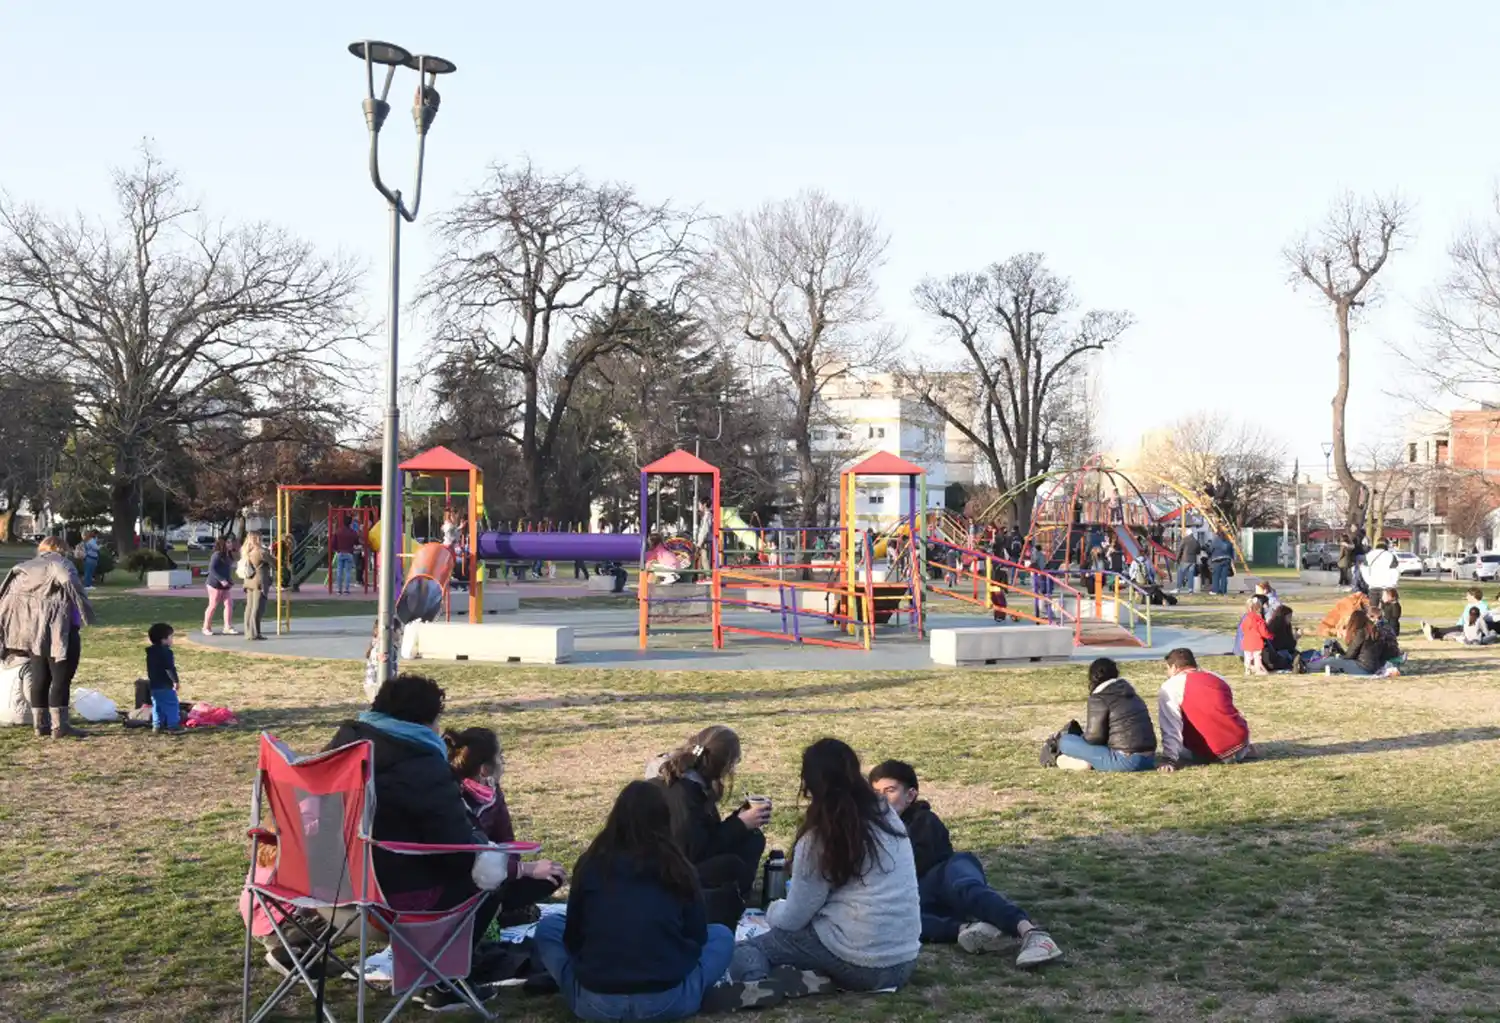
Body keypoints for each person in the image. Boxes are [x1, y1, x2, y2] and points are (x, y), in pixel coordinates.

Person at [325, 674, 521, 1007]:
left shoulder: (344, 743)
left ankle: (299, 943)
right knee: (489, 876)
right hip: (386, 902)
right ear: (427, 719)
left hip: (324, 892)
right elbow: (458, 851)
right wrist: (488, 847)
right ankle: (442, 982)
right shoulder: (421, 762)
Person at [718, 738, 921, 1008]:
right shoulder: (887, 815)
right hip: (903, 961)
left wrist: (772, 910)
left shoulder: (821, 836)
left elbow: (794, 917)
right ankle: (814, 978)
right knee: (811, 941)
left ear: (810, 784)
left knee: (749, 948)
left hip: (859, 960)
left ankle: (756, 984)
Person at [533, 781, 733, 1021]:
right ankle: (693, 990)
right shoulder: (678, 868)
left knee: (548, 927)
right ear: (664, 820)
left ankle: (579, 989)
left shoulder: (591, 864)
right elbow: (698, 935)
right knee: (722, 936)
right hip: (668, 1000)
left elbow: (573, 935)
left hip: (596, 1003)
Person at [868, 760, 1062, 968]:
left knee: (964, 885)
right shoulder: (872, 830)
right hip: (918, 895)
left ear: (910, 795)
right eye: (876, 793)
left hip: (944, 875)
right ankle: (971, 930)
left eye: (890, 791)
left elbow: (919, 862)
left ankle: (1032, 933)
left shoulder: (925, 820)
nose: (882, 799)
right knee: (892, 918)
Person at [444, 725, 568, 925]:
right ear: (484, 770)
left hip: (496, 872)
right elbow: (473, 859)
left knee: (553, 875)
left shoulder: (493, 792)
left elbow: (507, 841)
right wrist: (523, 869)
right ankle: (495, 912)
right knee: (488, 889)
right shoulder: (454, 799)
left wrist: (515, 871)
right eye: (500, 757)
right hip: (469, 879)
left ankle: (503, 910)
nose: (504, 762)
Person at [652, 726, 768, 927]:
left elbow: (704, 834)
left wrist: (740, 819)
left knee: (753, 838)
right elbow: (695, 852)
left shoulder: (690, 780)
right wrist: (739, 823)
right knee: (732, 865)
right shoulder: (684, 794)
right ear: (724, 765)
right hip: (670, 872)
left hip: (682, 858)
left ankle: (737, 899)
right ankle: (732, 905)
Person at [0, 537, 96, 739]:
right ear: (61, 548)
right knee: (61, 678)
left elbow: (8, 595)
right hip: (59, 630)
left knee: (40, 677)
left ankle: (40, 725)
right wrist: (84, 607)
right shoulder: (60, 563)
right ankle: (60, 726)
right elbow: (70, 582)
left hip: (32, 632)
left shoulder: (25, 567)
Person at [1054, 658, 1157, 772]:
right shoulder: (1132, 694)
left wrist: (1082, 738)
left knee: (1066, 741)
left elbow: (1094, 738)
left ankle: (1079, 762)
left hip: (1124, 760)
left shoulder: (1099, 697)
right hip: (1149, 759)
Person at [1157, 649, 1252, 770]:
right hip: (1240, 744)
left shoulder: (1171, 686)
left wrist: (1169, 758)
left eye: (1168, 668)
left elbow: (1171, 726)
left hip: (1209, 751)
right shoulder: (1218, 678)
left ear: (1174, 667)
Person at [1320, 608, 1386, 675]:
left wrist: (1338, 656)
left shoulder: (1361, 632)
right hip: (1374, 667)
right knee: (1335, 662)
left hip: (1363, 668)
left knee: (1330, 661)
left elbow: (1349, 655)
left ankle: (1312, 666)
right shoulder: (1374, 632)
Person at [145, 622, 184, 734]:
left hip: (154, 684)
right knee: (172, 704)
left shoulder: (151, 652)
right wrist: (175, 681)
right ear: (164, 640)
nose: (172, 640)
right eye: (171, 637)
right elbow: (169, 668)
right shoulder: (166, 652)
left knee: (157, 705)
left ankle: (157, 725)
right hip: (165, 684)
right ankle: (173, 726)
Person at [1421, 586, 1489, 642]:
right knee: (1454, 631)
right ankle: (1434, 633)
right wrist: (1458, 625)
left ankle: (1434, 630)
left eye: (1468, 595)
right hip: (1463, 626)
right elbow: (1462, 618)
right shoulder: (1469, 605)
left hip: (1474, 627)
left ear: (1473, 596)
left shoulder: (1482, 606)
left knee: (1457, 630)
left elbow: (1481, 619)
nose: (1466, 597)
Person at [203, 538, 237, 636]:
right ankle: (206, 627)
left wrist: (229, 580)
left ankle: (227, 627)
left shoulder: (228, 555)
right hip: (214, 584)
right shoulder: (217, 555)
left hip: (225, 585)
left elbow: (226, 570)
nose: (231, 544)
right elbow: (212, 569)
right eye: (228, 542)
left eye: (231, 542)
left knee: (229, 604)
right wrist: (221, 580)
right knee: (213, 605)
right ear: (223, 544)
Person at [240, 532, 270, 640]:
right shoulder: (261, 552)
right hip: (259, 582)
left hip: (249, 581)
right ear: (258, 539)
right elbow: (274, 562)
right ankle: (255, 633)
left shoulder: (246, 551)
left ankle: (248, 632)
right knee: (257, 608)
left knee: (249, 607)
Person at [1237, 597, 1273, 674]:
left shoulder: (1246, 619)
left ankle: (1247, 669)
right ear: (1258, 608)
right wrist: (1270, 636)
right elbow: (1263, 632)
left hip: (1247, 641)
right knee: (1257, 657)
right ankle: (1258, 670)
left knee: (1248, 657)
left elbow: (1243, 629)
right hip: (1256, 642)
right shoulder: (1259, 620)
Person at [1265, 604, 1304, 673]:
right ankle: (1294, 663)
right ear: (1283, 616)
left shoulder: (1279, 625)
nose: (1290, 619)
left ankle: (1295, 662)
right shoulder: (1278, 627)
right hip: (1277, 653)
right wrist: (1296, 637)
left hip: (1278, 652)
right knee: (1293, 655)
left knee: (1296, 654)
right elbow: (1288, 646)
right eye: (1289, 617)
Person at [330, 517, 360, 595]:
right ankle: (346, 590)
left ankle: (339, 590)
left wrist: (336, 550)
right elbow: (357, 542)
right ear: (350, 523)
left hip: (340, 553)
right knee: (348, 572)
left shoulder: (338, 531)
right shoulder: (352, 532)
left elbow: (333, 543)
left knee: (339, 572)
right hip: (349, 553)